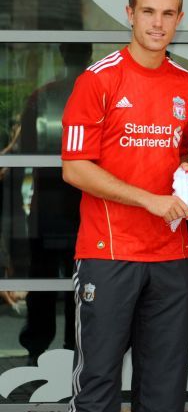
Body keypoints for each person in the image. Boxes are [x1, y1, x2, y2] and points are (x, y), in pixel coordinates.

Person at [60, 0, 188, 412]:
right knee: (99, 384)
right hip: (109, 255)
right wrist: (148, 199)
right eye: (148, 12)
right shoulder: (97, 80)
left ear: (179, 19)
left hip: (171, 259)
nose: (157, 23)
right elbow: (75, 169)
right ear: (130, 14)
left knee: (164, 389)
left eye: (168, 14)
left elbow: (186, 161)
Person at [19, 43, 91, 364]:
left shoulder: (43, 94)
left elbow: (26, 150)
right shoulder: (97, 92)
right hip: (82, 203)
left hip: (49, 203)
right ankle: (73, 346)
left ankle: (36, 349)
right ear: (88, 54)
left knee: (43, 285)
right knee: (80, 281)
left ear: (62, 54)